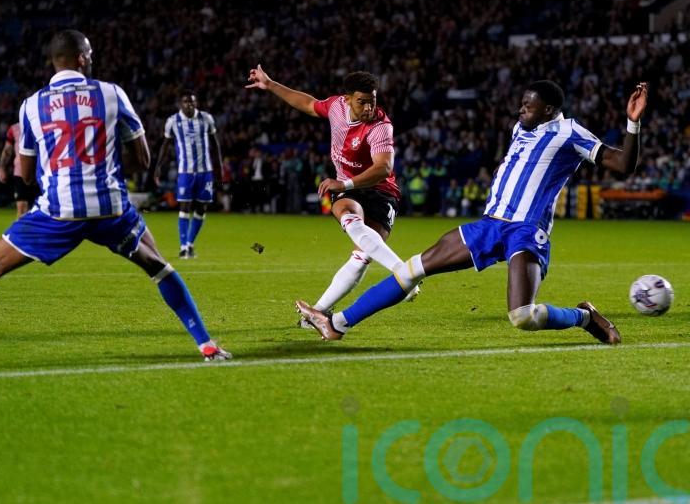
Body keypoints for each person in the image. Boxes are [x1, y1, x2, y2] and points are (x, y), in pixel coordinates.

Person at [0, 30, 231, 369]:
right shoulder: (112, 93)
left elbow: (24, 175)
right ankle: (207, 346)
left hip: (58, 213)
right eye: (91, 53)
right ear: (82, 58)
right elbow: (142, 159)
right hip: (112, 209)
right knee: (160, 267)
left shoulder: (31, 105)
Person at [296, 80, 649, 344]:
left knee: (522, 316)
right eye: (521, 105)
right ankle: (337, 323)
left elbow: (622, 164)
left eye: (528, 106)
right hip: (490, 225)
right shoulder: (520, 128)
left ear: (548, 109)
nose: (520, 111)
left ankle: (583, 318)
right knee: (412, 268)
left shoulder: (570, 133)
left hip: (526, 231)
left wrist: (632, 123)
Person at [246, 65, 419, 326]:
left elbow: (383, 168)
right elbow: (307, 103)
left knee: (361, 257)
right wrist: (270, 84)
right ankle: (404, 273)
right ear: (347, 99)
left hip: (381, 191)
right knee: (350, 216)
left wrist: (344, 183)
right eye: (362, 102)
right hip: (349, 190)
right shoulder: (336, 107)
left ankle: (317, 312)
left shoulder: (381, 126)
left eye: (372, 101)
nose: (369, 108)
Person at [155, 91, 223, 259]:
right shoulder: (173, 121)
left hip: (205, 171)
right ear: (180, 104)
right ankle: (183, 246)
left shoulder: (206, 119)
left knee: (201, 208)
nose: (189, 105)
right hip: (185, 171)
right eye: (186, 102)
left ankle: (190, 244)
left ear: (196, 103)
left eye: (192, 102)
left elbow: (215, 145)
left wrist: (219, 168)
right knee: (184, 207)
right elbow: (165, 145)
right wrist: (158, 168)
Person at [0, 122, 40, 217]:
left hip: (41, 172)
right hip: (21, 172)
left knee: (39, 209)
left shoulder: (41, 123)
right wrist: (2, 168)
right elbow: (8, 150)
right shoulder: (14, 128)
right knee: (22, 207)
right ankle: (23, 231)